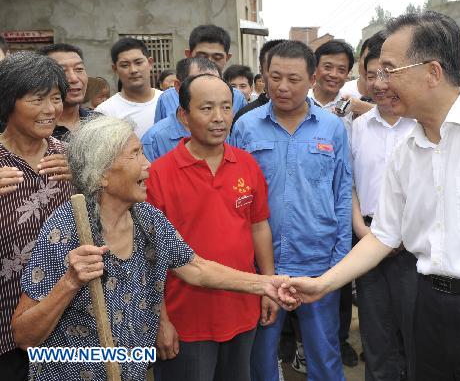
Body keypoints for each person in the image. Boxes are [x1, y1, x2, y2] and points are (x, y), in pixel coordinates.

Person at [280, 11, 460, 381]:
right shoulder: (407, 149)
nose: (378, 83)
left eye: (389, 70)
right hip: (428, 307)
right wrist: (322, 284)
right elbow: (385, 235)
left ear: (433, 72)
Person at [11, 115, 294, 381]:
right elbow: (24, 336)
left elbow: (196, 268)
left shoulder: (147, 218)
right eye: (135, 154)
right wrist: (70, 282)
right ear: (102, 176)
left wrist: (267, 284)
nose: (147, 164)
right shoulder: (68, 228)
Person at [230, 40, 352, 381]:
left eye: (294, 79)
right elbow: (233, 196)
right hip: (261, 266)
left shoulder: (331, 128)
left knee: (324, 354)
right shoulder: (245, 127)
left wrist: (340, 260)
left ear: (312, 79)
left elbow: (342, 194)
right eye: (275, 76)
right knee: (261, 356)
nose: (283, 87)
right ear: (264, 76)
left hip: (318, 262)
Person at [148, 74, 275, 381]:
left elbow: (259, 227)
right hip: (186, 319)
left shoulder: (246, 164)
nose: (219, 118)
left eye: (226, 107)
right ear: (183, 116)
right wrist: (160, 319)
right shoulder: (159, 175)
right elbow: (149, 256)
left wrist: (269, 286)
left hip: (242, 309)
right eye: (206, 108)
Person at [0, 52, 73, 380]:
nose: (50, 110)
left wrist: (84, 175)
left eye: (56, 98)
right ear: (8, 102)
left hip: (63, 312)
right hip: (5, 314)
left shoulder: (69, 157)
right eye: (37, 99)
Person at [351, 30, 417, 381]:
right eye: (370, 74)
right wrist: (363, 231)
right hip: (369, 240)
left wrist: (404, 236)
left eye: (386, 73)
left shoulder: (423, 125)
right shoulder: (357, 127)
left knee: (415, 335)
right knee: (376, 336)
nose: (378, 83)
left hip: (415, 247)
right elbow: (349, 186)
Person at [154, 25, 245, 123]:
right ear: (188, 55)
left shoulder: (238, 98)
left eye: (217, 57)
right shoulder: (167, 98)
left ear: (227, 58)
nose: (209, 62)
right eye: (202, 57)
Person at [141, 57, 220, 162]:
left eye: (216, 84)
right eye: (200, 83)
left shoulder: (222, 130)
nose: (209, 91)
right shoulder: (153, 141)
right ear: (178, 86)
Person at [95, 37, 162, 138]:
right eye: (125, 65)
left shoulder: (168, 101)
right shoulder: (105, 112)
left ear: (150, 63)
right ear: (115, 69)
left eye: (138, 63)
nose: (133, 70)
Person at [39, 43, 98, 140]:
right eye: (62, 71)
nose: (74, 79)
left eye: (79, 69)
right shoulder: (36, 129)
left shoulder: (98, 122)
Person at [231, 39, 287, 128]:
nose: (283, 83)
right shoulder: (243, 118)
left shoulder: (315, 113)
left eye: (291, 76)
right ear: (261, 71)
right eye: (274, 72)